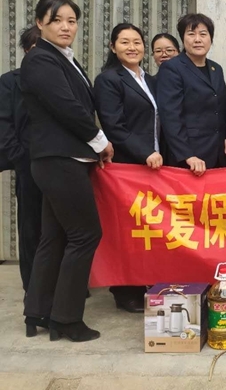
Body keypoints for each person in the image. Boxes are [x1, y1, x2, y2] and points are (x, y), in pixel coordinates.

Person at [21, 0, 114, 342]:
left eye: (71, 21)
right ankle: (67, 319)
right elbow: (67, 107)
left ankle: (39, 311)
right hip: (60, 160)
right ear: (40, 23)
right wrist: (100, 141)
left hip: (60, 160)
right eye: (56, 20)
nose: (65, 27)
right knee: (86, 234)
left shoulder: (61, 58)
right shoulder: (41, 59)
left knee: (55, 235)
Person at [94, 23, 162, 313]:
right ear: (113, 47)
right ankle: (124, 291)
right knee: (128, 229)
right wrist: (145, 152)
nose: (132, 47)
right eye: (124, 42)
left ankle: (145, 281)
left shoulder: (150, 80)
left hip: (155, 165)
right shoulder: (109, 80)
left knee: (150, 228)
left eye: (137, 42)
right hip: (127, 166)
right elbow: (114, 126)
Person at [156, 13, 226, 175]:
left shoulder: (216, 69)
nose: (198, 39)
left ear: (210, 38)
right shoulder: (172, 68)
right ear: (183, 39)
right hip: (190, 156)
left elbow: (221, 107)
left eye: (203, 34)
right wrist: (187, 155)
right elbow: (171, 116)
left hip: (217, 151)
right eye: (191, 34)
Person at [0, 25, 42, 293]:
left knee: (63, 226)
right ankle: (34, 285)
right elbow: (3, 124)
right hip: (29, 163)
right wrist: (19, 159)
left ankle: (65, 282)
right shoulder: (10, 81)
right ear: (27, 50)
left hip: (63, 164)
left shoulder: (66, 76)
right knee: (31, 225)